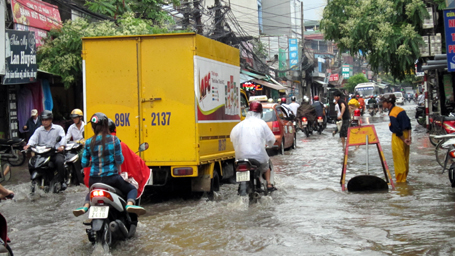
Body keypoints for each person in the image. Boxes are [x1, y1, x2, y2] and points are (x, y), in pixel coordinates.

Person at [73, 112, 146, 217]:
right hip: (112, 178)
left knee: (90, 192)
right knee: (132, 189)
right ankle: (129, 204)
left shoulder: (88, 142)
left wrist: (94, 162)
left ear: (93, 127)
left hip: (94, 179)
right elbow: (119, 160)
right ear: (106, 126)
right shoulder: (114, 140)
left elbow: (84, 163)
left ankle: (85, 206)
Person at [230, 101, 277, 191]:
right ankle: (269, 184)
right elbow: (271, 139)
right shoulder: (262, 124)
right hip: (258, 157)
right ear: (260, 112)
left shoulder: (239, 125)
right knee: (267, 166)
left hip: (241, 158)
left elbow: (232, 138)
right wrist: (270, 145)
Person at [23, 110, 67, 190]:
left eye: (46, 120)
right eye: (43, 120)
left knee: (60, 161)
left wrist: (62, 146)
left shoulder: (58, 128)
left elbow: (63, 138)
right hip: (42, 154)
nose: (44, 122)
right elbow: (33, 138)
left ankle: (62, 181)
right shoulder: (39, 130)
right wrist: (28, 145)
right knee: (32, 162)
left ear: (51, 120)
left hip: (54, 153)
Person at [381, 94, 412, 183]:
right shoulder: (401, 110)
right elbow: (409, 124)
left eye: (383, 102)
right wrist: (408, 137)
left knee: (399, 159)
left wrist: (403, 139)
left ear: (389, 103)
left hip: (399, 137)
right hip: (406, 134)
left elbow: (397, 129)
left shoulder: (393, 113)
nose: (382, 104)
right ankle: (404, 178)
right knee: (405, 158)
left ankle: (400, 181)